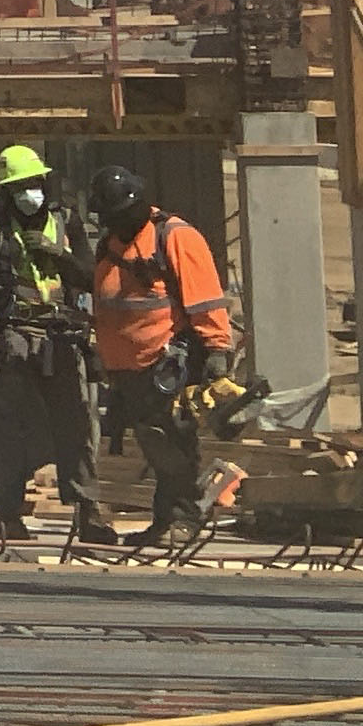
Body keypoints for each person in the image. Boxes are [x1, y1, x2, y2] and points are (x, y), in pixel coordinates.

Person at [0, 141, 107, 547]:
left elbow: (90, 276)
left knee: (75, 425)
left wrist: (60, 255)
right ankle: (7, 516)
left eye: (34, 184)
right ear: (6, 191)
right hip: (15, 334)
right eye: (20, 186)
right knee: (11, 428)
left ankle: (88, 514)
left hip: (60, 335)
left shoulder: (65, 222)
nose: (29, 193)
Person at [88, 161, 240, 550]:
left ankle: (182, 519)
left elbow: (204, 296)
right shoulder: (111, 244)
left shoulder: (174, 237)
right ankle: (165, 520)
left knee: (172, 445)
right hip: (129, 372)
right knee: (155, 449)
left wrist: (216, 349)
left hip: (167, 366)